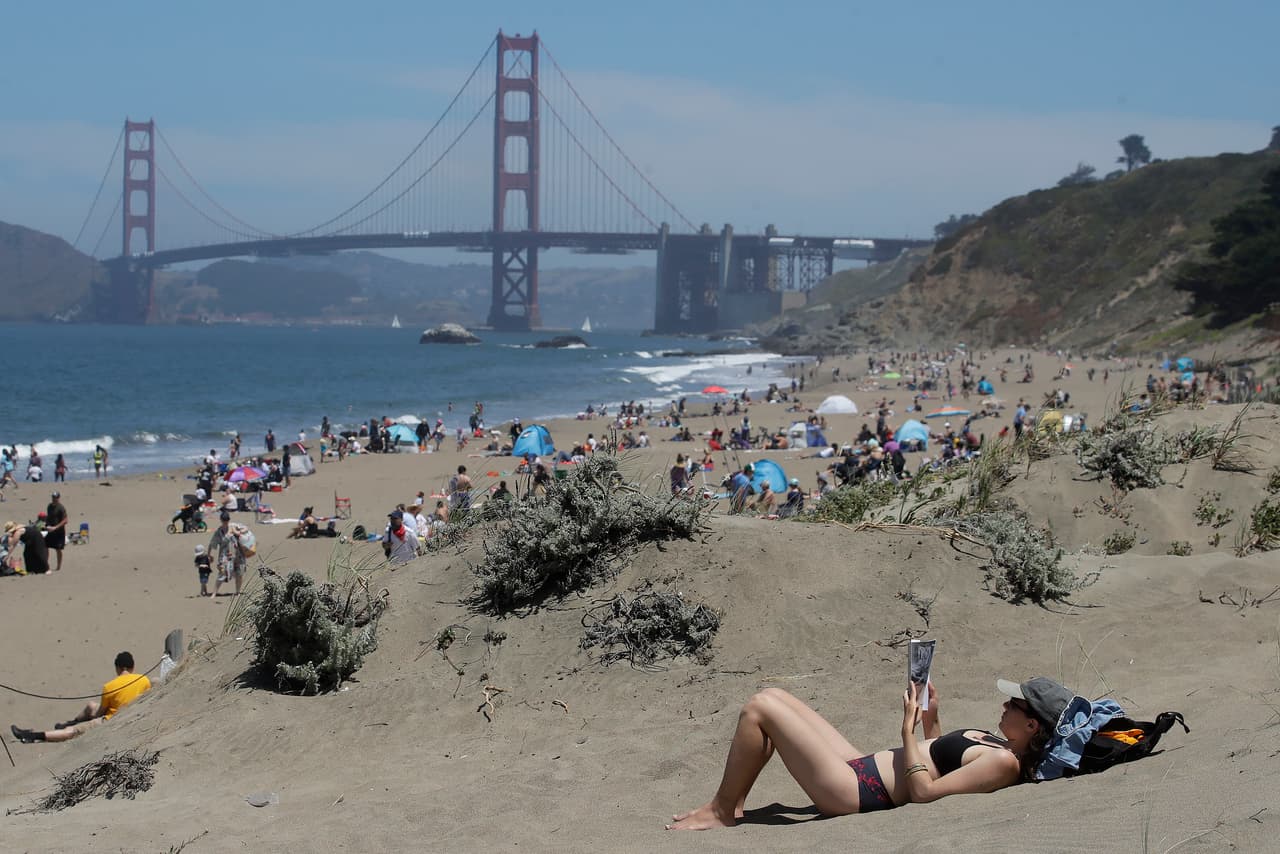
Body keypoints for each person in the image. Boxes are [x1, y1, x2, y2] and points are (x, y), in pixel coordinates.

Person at [666, 676, 1065, 830]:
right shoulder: (996, 743)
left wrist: (906, 730)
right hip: (863, 767)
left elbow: (926, 793)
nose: (1004, 707)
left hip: (858, 792)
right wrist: (931, 718)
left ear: (1032, 726)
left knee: (760, 708)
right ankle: (734, 802)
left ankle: (721, 810)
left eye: (1014, 705)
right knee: (775, 696)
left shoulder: (1003, 763)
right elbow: (939, 761)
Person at [10, 652, 152, 744]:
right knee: (91, 705)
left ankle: (33, 736)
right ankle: (69, 722)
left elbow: (101, 713)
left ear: (118, 668)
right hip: (130, 712)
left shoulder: (109, 686)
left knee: (71, 732)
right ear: (132, 667)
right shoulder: (144, 680)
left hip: (113, 720)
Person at [208, 510, 249, 597]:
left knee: (239, 573)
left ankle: (238, 592)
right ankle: (214, 593)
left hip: (239, 554)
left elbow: (246, 529)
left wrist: (237, 532)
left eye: (227, 520)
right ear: (221, 520)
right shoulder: (219, 532)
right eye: (224, 521)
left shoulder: (234, 526)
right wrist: (209, 554)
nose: (226, 522)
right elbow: (212, 543)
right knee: (222, 573)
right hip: (225, 556)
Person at [45, 491, 68, 571]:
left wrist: (56, 527)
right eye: (53, 497)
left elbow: (65, 520)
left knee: (58, 549)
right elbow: (48, 517)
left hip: (59, 532)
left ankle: (58, 567)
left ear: (58, 498)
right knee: (45, 546)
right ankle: (46, 565)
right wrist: (47, 525)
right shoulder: (49, 506)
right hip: (50, 530)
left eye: (56, 498)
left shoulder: (61, 508)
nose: (54, 499)